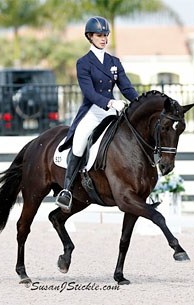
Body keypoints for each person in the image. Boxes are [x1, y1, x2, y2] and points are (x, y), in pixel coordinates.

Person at [56, 16, 139, 210]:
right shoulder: (83, 63)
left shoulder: (114, 61)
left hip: (114, 110)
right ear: (90, 37)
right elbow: (89, 93)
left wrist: (138, 103)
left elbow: (126, 88)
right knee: (79, 142)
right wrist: (110, 102)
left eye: (106, 35)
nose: (103, 39)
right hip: (94, 111)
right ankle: (67, 190)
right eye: (99, 35)